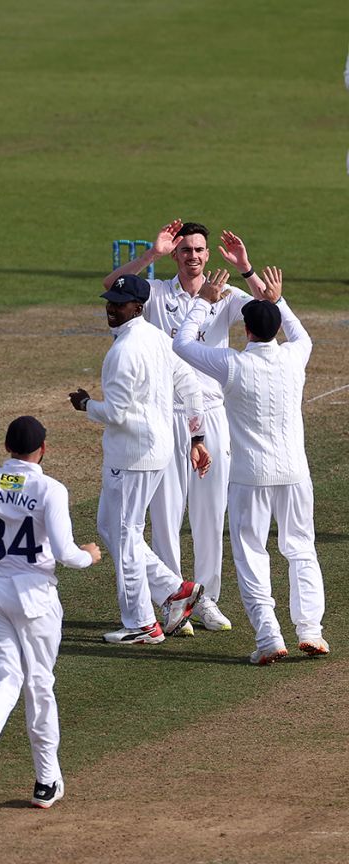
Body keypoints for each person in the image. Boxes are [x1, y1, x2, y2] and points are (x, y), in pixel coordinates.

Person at [104, 220, 268, 634]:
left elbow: (268, 307)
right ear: (176, 255)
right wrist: (151, 255)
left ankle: (206, 598)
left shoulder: (226, 295)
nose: (193, 256)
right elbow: (112, 283)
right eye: (185, 250)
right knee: (166, 514)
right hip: (165, 416)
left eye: (199, 250)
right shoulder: (157, 293)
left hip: (212, 414)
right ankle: (174, 600)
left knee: (211, 512)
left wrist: (246, 267)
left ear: (208, 255)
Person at [173, 267, 328, 666]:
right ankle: (310, 630)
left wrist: (202, 301)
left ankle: (269, 637)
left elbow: (182, 344)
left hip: (250, 476)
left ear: (245, 331)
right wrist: (277, 299)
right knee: (301, 548)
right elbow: (300, 333)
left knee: (251, 554)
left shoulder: (232, 363)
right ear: (277, 326)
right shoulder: (296, 355)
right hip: (294, 472)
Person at [0, 416, 101, 809]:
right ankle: (45, 781)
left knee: (5, 678)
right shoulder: (50, 488)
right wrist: (89, 555)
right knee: (38, 685)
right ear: (43, 449)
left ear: (6, 447)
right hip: (34, 597)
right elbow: (66, 553)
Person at [68, 275, 207, 644]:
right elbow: (190, 385)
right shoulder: (158, 337)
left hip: (133, 456)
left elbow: (113, 413)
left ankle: (142, 624)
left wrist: (85, 405)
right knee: (110, 528)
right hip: (154, 449)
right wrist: (196, 436)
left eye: (120, 303)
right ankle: (175, 591)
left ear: (138, 307)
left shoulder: (123, 351)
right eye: (110, 301)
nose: (112, 308)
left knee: (126, 535)